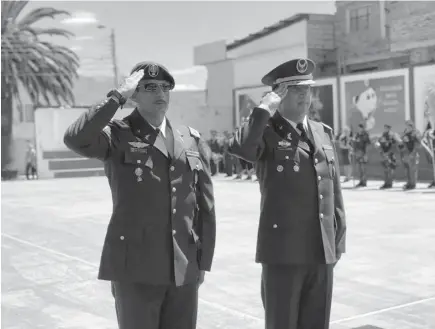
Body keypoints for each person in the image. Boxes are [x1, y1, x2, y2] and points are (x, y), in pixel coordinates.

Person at [63, 62, 216, 329]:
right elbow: (76, 139)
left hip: (184, 268)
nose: (160, 92)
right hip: (135, 269)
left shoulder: (189, 139)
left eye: (165, 87)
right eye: (149, 87)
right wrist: (116, 97)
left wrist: (204, 260)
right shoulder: (118, 134)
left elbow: (204, 206)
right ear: (133, 95)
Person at [228, 58, 346, 329]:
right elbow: (243, 150)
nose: (305, 95)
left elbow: (334, 190)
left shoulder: (322, 132)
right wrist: (262, 111)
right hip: (283, 253)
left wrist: (337, 241)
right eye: (295, 89)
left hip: (321, 250)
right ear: (278, 94)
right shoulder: (265, 131)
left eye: (307, 89)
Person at [375, 124, 401, 189]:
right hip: (384, 154)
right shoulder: (383, 135)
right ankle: (386, 183)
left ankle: (389, 183)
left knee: (390, 169)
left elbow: (395, 145)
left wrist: (389, 153)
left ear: (389, 128)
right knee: (385, 170)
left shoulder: (393, 135)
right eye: (384, 128)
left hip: (390, 154)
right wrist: (377, 144)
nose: (385, 129)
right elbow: (379, 142)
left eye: (386, 128)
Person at [399, 120, 421, 190]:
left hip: (413, 153)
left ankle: (412, 184)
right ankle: (408, 183)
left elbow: (418, 144)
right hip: (406, 153)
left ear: (412, 125)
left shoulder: (416, 132)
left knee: (413, 170)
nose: (407, 126)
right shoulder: (405, 133)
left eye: (408, 125)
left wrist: (413, 153)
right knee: (407, 169)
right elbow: (402, 143)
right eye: (406, 125)